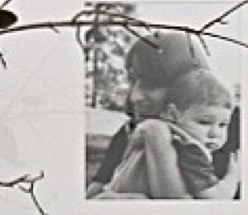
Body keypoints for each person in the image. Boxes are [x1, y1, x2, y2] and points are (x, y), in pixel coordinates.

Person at [92, 65, 240, 200]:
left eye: (223, 125)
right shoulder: (190, 150)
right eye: (204, 122)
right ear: (172, 114)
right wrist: (233, 175)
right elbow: (215, 201)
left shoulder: (152, 131)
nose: (215, 134)